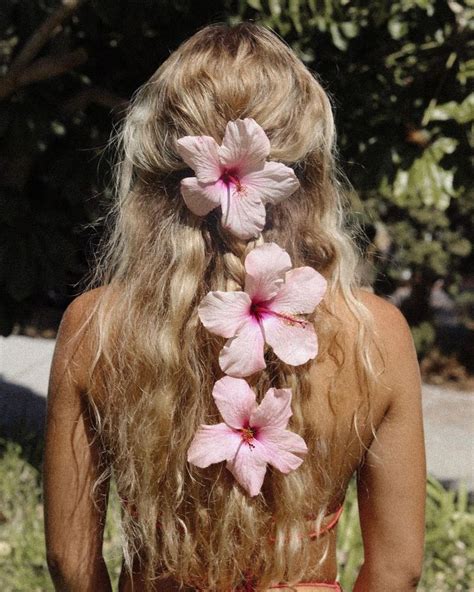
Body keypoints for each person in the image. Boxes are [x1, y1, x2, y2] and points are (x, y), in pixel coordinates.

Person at [43, 22, 426, 592]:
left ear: (152, 173)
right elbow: (399, 568)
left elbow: (72, 562)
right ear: (310, 170)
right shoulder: (376, 335)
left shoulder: (97, 327)